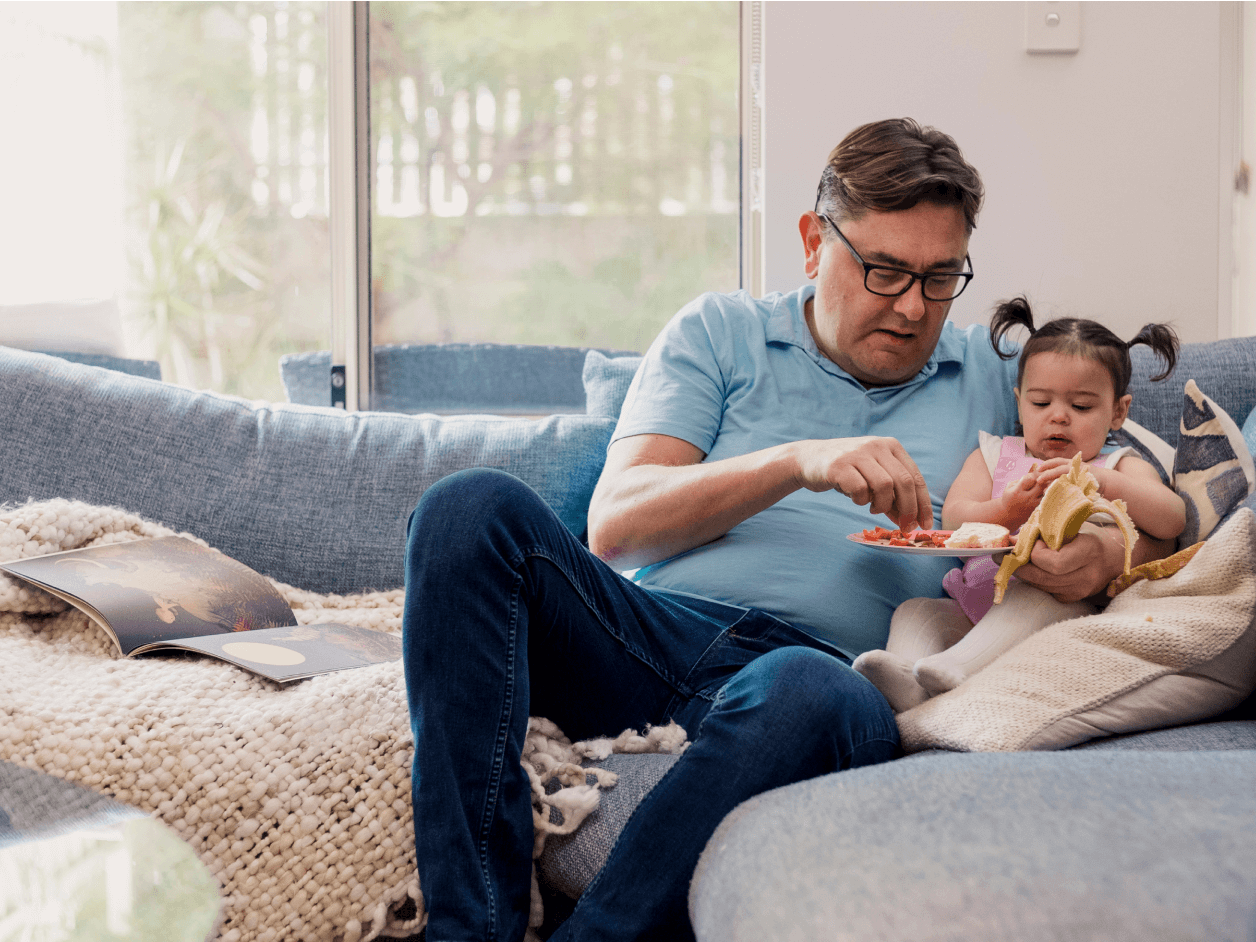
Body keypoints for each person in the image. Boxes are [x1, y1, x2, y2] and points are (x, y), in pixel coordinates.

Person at [401, 118, 1172, 942]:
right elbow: (617, 527)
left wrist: (1107, 552)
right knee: (467, 508)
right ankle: (468, 928)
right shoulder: (719, 332)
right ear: (814, 242)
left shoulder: (997, 371)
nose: (914, 307)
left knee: (802, 682)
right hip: (648, 642)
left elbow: (1147, 494)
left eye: (940, 277)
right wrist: (795, 461)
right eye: (883, 271)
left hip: (831, 681)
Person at [852, 297, 1185, 712]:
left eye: (1081, 406)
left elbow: (1172, 519)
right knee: (916, 610)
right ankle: (904, 676)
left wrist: (1100, 480)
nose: (1058, 417)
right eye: (1041, 403)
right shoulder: (996, 456)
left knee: (1033, 598)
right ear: (1019, 401)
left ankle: (953, 669)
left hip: (1058, 606)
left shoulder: (1117, 464)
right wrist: (1007, 510)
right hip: (973, 604)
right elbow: (956, 515)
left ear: (1118, 411)